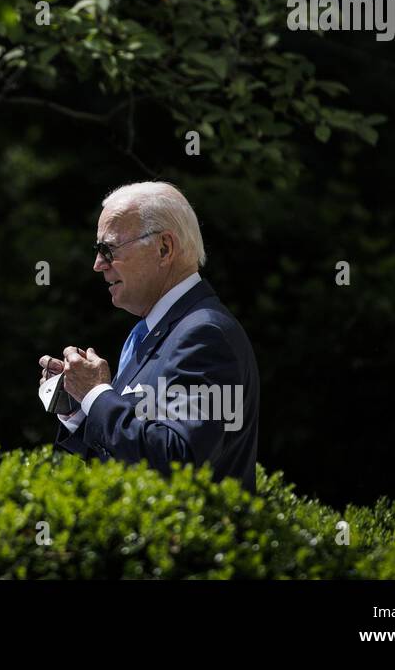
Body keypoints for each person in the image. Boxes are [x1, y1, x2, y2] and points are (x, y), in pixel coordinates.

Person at [38, 181, 260, 490]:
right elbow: (133, 453)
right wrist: (79, 408)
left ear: (164, 248)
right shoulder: (154, 332)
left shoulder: (206, 334)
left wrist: (97, 395)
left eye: (108, 249)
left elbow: (179, 462)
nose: (98, 265)